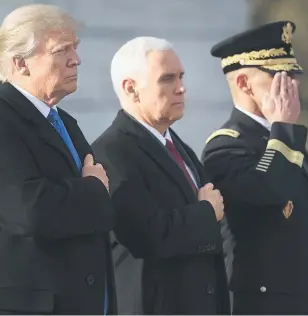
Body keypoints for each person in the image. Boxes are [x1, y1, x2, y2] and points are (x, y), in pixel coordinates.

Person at [0, 4, 116, 314]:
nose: (76, 59)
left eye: (75, 48)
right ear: (21, 63)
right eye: (62, 50)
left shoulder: (63, 121)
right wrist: (92, 188)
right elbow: (30, 211)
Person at [92, 37, 231, 314]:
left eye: (180, 77)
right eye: (166, 79)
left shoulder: (181, 149)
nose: (181, 88)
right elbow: (145, 234)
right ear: (131, 89)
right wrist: (205, 212)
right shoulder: (111, 152)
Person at [201, 21, 308, 315]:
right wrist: (282, 129)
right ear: (244, 84)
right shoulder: (226, 146)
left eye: (293, 76)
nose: (292, 86)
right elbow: (270, 190)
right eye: (279, 77)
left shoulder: (284, 138)